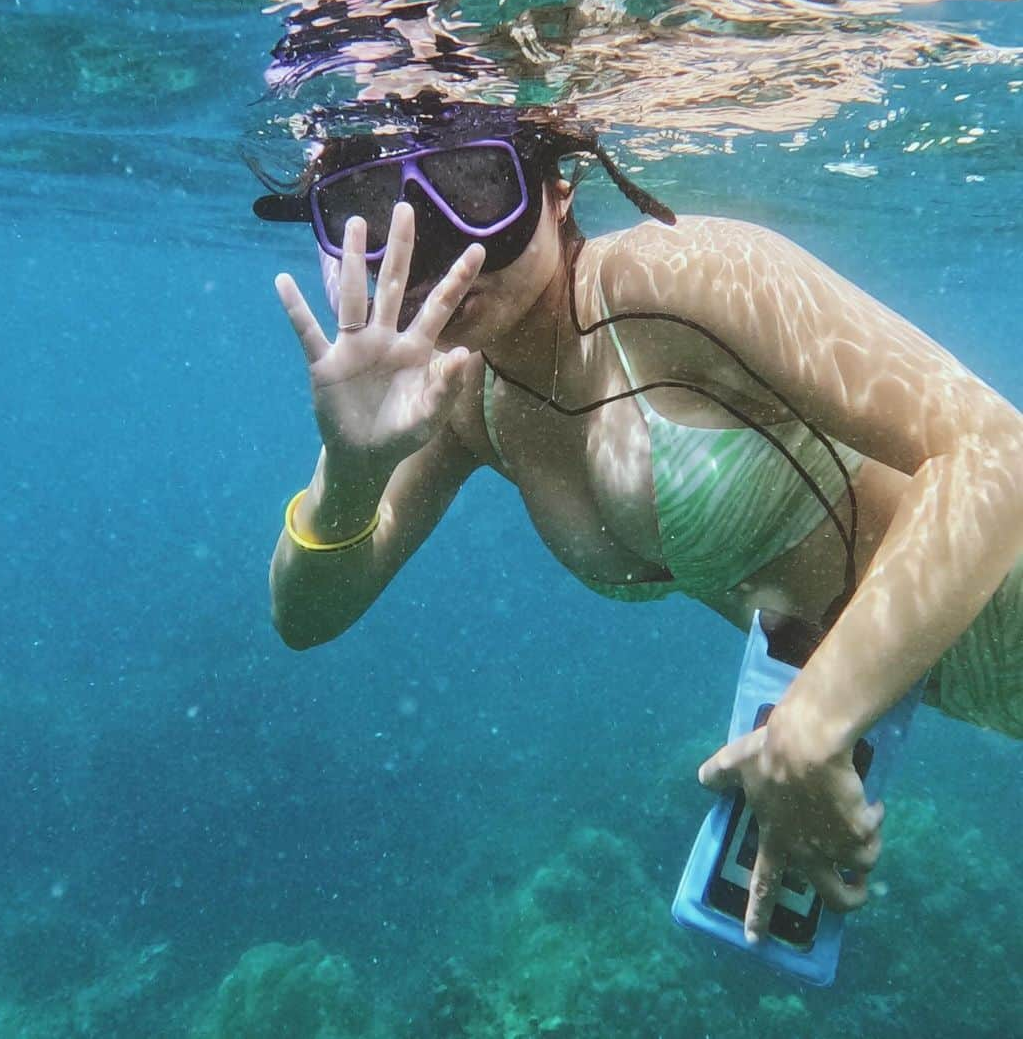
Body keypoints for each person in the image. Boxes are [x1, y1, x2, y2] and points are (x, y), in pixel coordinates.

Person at [257, 97, 1023, 945]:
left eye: (477, 188)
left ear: (558, 187)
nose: (450, 252)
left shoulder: (683, 277)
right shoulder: (453, 391)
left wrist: (815, 722)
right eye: (380, 211)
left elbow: (995, 455)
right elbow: (306, 616)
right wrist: (353, 476)